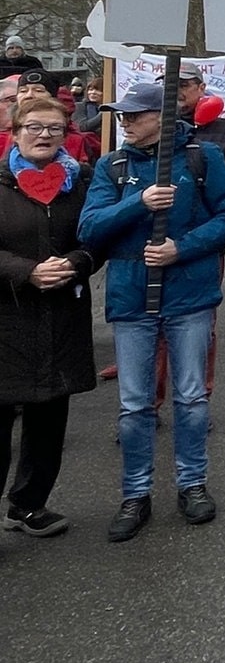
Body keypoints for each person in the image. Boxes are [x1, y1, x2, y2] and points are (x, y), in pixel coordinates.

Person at [78, 80, 225, 542]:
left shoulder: (201, 157)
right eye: (123, 115)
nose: (126, 122)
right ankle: (135, 494)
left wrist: (183, 248)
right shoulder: (111, 166)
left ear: (162, 116)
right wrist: (140, 202)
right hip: (132, 297)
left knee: (191, 398)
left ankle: (192, 484)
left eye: (135, 114)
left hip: (188, 295)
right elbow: (89, 227)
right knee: (135, 406)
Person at [0, 96, 99, 537]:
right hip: (8, 320)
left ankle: (28, 505)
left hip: (61, 316)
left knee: (49, 418)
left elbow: (100, 236)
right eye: (35, 127)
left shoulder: (82, 183)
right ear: (16, 131)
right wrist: (26, 272)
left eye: (54, 129)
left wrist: (76, 261)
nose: (44, 135)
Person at [177, 63, 225, 193]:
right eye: (170, 84)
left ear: (201, 88)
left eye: (184, 85)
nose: (176, 91)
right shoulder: (157, 128)